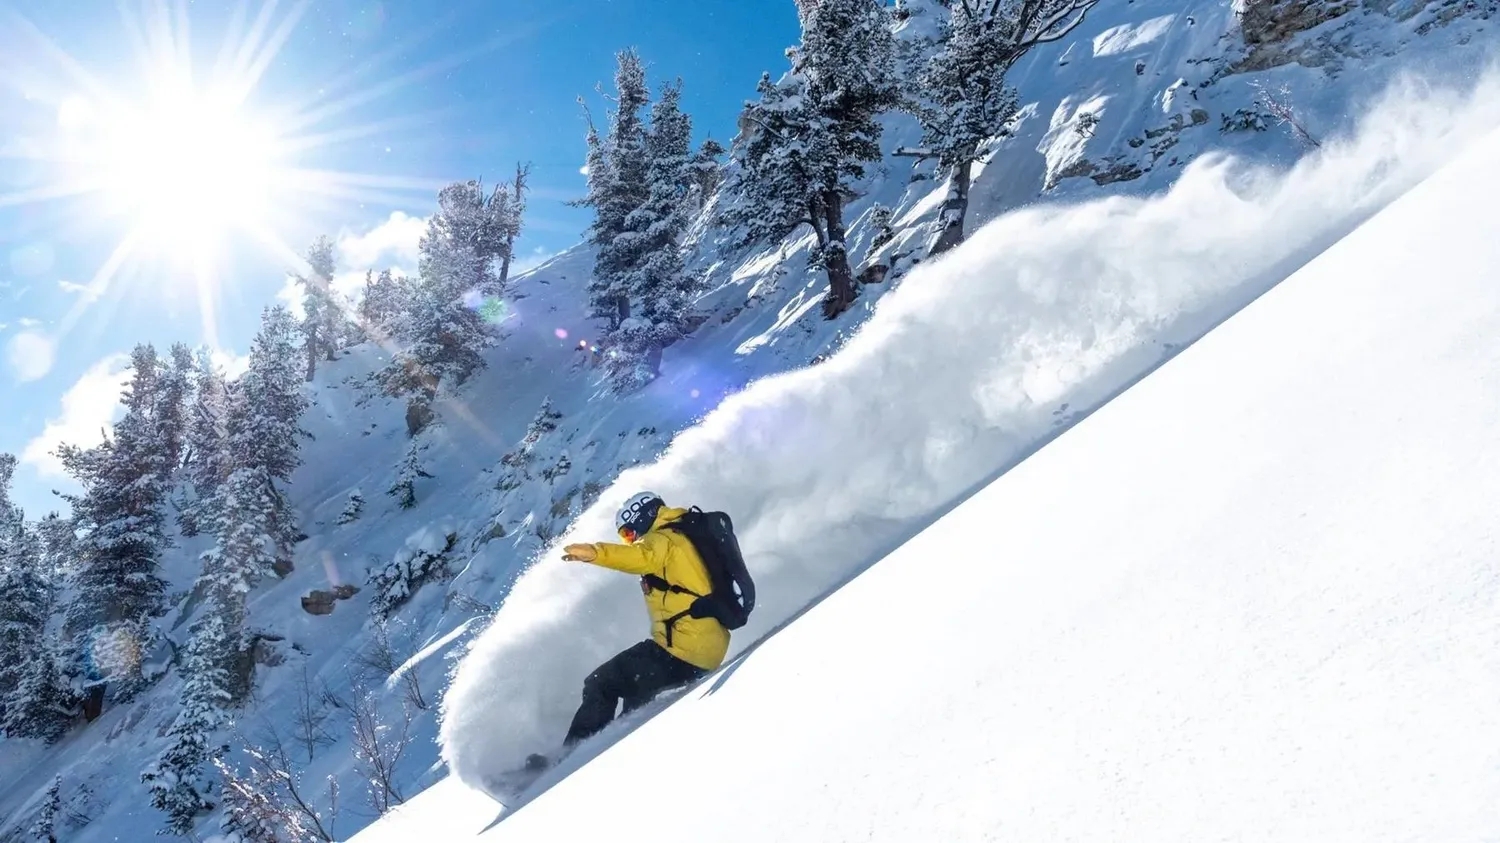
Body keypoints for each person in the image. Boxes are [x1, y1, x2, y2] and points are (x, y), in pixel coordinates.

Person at [558, 491, 731, 748]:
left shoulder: (661, 540)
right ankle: (609, 746)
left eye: (628, 533)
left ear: (642, 517)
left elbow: (640, 557)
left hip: (682, 651)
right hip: (707, 648)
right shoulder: (684, 532)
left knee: (601, 683)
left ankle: (573, 754)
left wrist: (595, 553)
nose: (631, 540)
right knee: (637, 695)